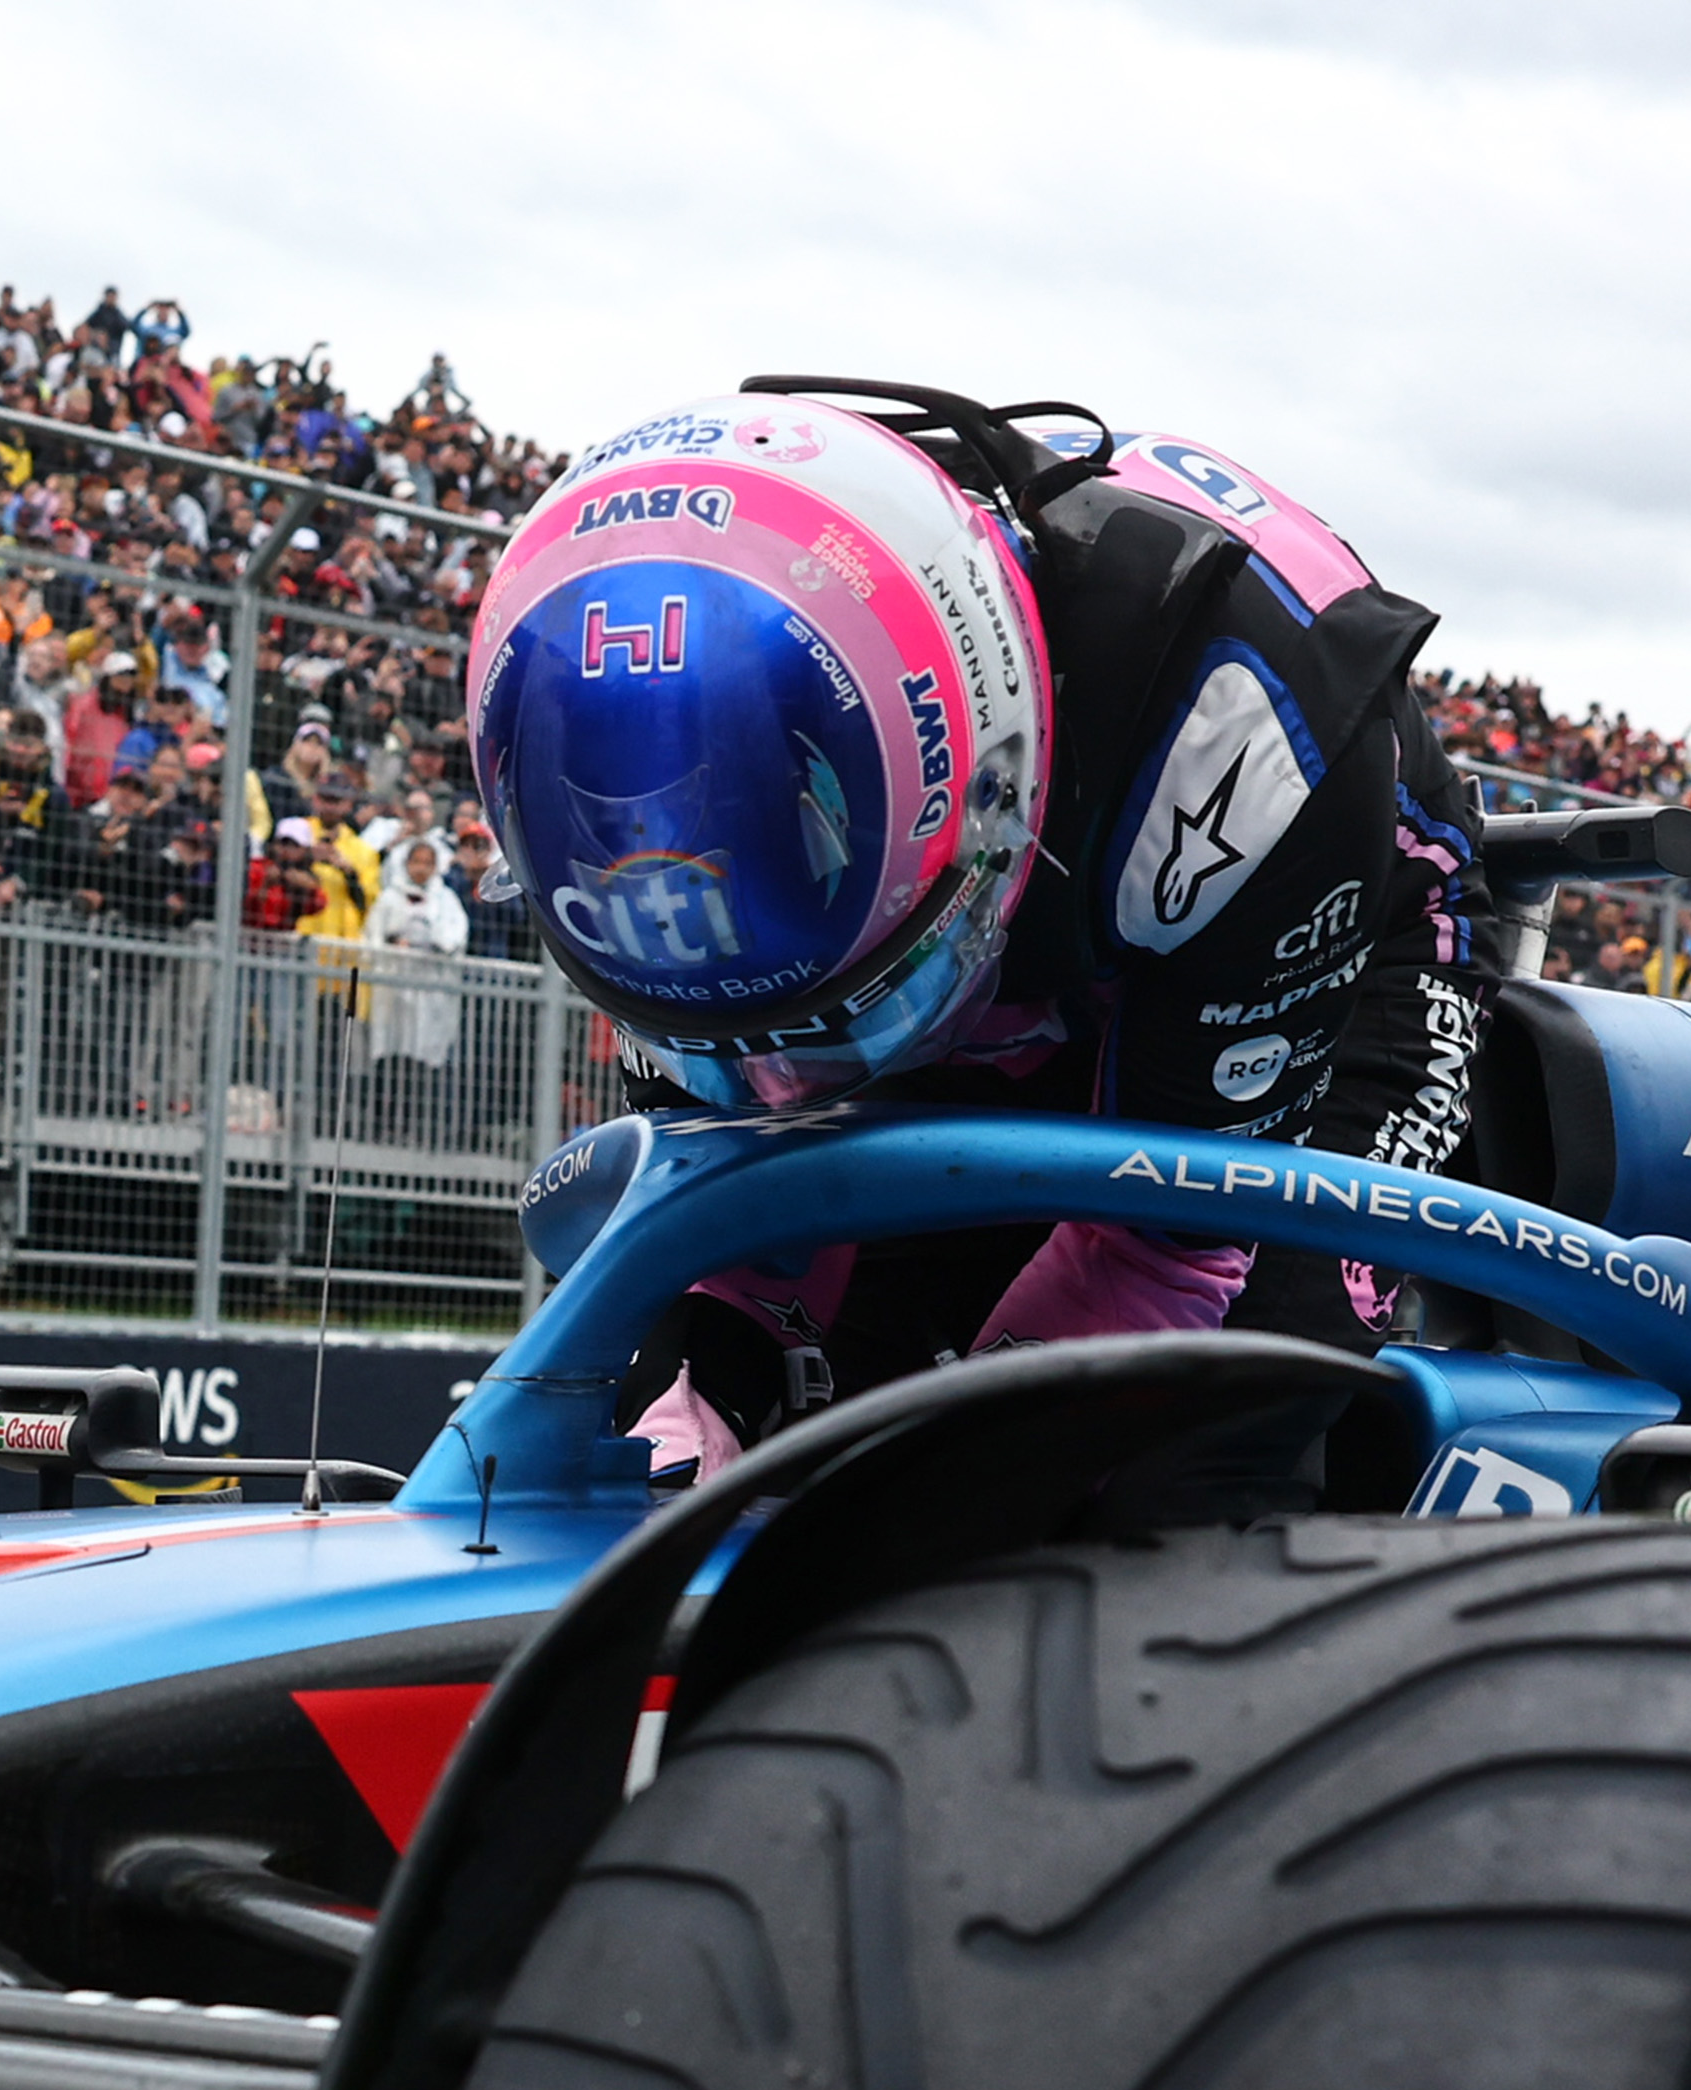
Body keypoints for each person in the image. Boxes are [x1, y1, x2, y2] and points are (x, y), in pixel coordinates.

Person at [460, 382, 1489, 1474]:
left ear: (986, 796)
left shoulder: (1237, 744)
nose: (776, 1069)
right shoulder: (675, 857)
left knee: (1211, 1426)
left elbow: (1166, 1255)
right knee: (754, 1400)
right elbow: (711, 1231)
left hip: (1303, 959)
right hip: (979, 949)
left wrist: (950, 1488)